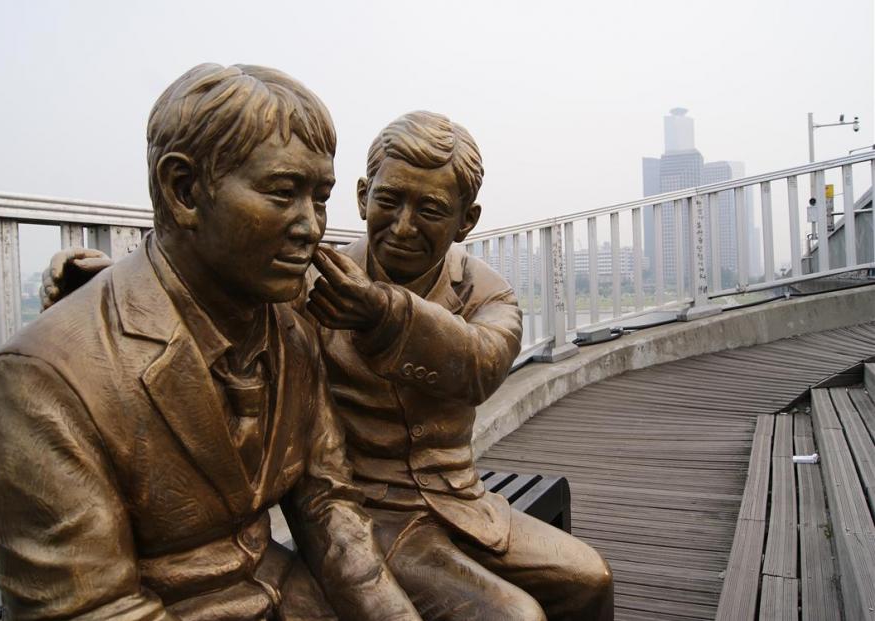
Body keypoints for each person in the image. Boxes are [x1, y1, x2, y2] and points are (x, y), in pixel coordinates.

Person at [42, 111, 614, 620]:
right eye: (389, 201)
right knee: (513, 616)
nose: (404, 225)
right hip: (369, 515)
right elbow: (217, 274)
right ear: (364, 196)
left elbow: (481, 365)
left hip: (465, 502)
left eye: (431, 210)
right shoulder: (311, 279)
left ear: (466, 221)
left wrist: (384, 315)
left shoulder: (485, 293)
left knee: (590, 580)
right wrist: (109, 280)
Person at [0, 63, 421, 621]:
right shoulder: (43, 375)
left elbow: (327, 503)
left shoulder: (291, 322)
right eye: (283, 191)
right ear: (183, 189)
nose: (312, 225)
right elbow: (93, 609)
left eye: (320, 197)